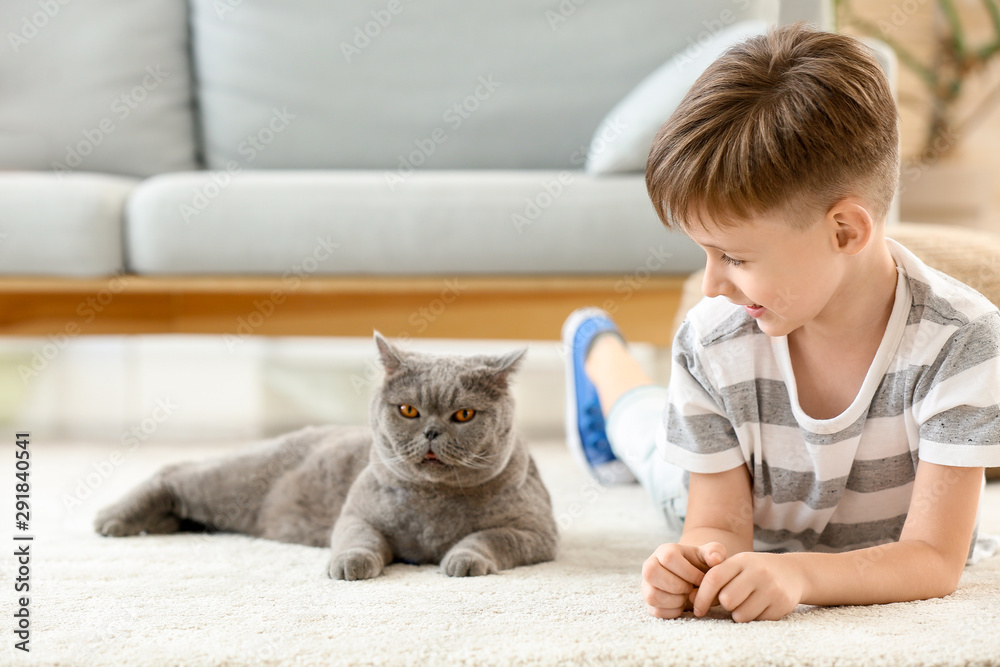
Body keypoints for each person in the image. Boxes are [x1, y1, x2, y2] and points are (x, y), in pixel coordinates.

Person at [562, 22, 1000, 623]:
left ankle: (608, 367)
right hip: (750, 507)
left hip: (803, 549)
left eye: (735, 257)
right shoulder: (710, 339)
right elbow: (716, 527)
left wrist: (796, 574)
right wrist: (690, 566)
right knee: (648, 451)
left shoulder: (963, 341)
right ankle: (599, 353)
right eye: (706, 253)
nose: (712, 285)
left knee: (646, 439)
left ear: (845, 231)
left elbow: (933, 559)